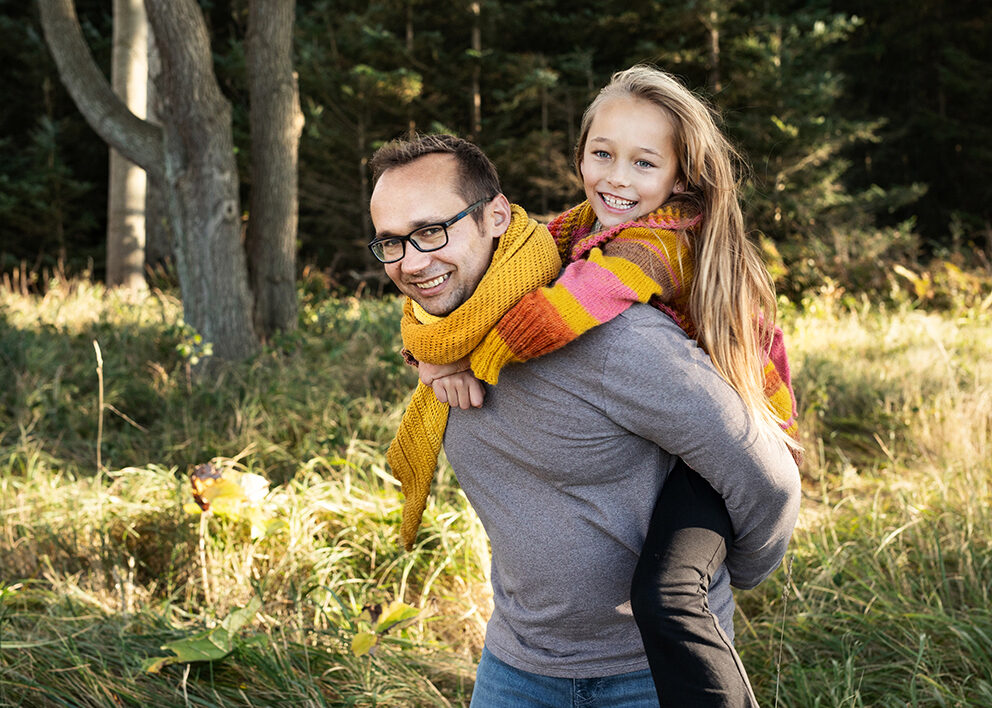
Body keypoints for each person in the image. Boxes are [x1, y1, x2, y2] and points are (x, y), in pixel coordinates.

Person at [368, 129, 800, 706]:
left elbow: (765, 475)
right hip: (515, 669)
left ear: (496, 216)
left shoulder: (615, 340)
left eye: (430, 231)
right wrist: (433, 357)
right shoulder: (445, 337)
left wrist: (723, 581)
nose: (412, 262)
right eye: (390, 242)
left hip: (651, 673)